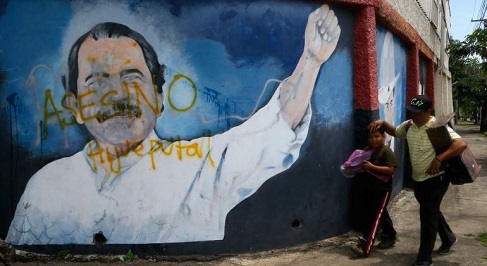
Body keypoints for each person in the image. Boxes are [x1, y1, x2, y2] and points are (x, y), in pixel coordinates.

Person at [6, 5, 341, 245]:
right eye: (96, 81)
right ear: (75, 106)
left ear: (159, 98)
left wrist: (310, 62)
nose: (115, 94)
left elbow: (276, 127)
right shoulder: (45, 187)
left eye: (131, 77)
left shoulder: (202, 167)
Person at [369, 95, 467, 266]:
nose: (413, 115)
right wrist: (383, 124)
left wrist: (439, 159)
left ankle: (424, 259)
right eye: (411, 111)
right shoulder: (409, 126)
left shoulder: (436, 127)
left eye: (417, 112)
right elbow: (395, 132)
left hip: (436, 178)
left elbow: (461, 144)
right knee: (431, 209)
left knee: (427, 216)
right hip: (419, 179)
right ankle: (448, 237)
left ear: (428, 111)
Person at [350, 127, 398, 257]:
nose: (374, 139)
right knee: (379, 213)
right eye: (371, 137)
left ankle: (366, 246)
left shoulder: (386, 151)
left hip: (383, 190)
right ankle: (390, 235)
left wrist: (372, 167)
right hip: (370, 188)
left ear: (383, 137)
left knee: (375, 217)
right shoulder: (367, 150)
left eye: (377, 136)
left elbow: (391, 169)